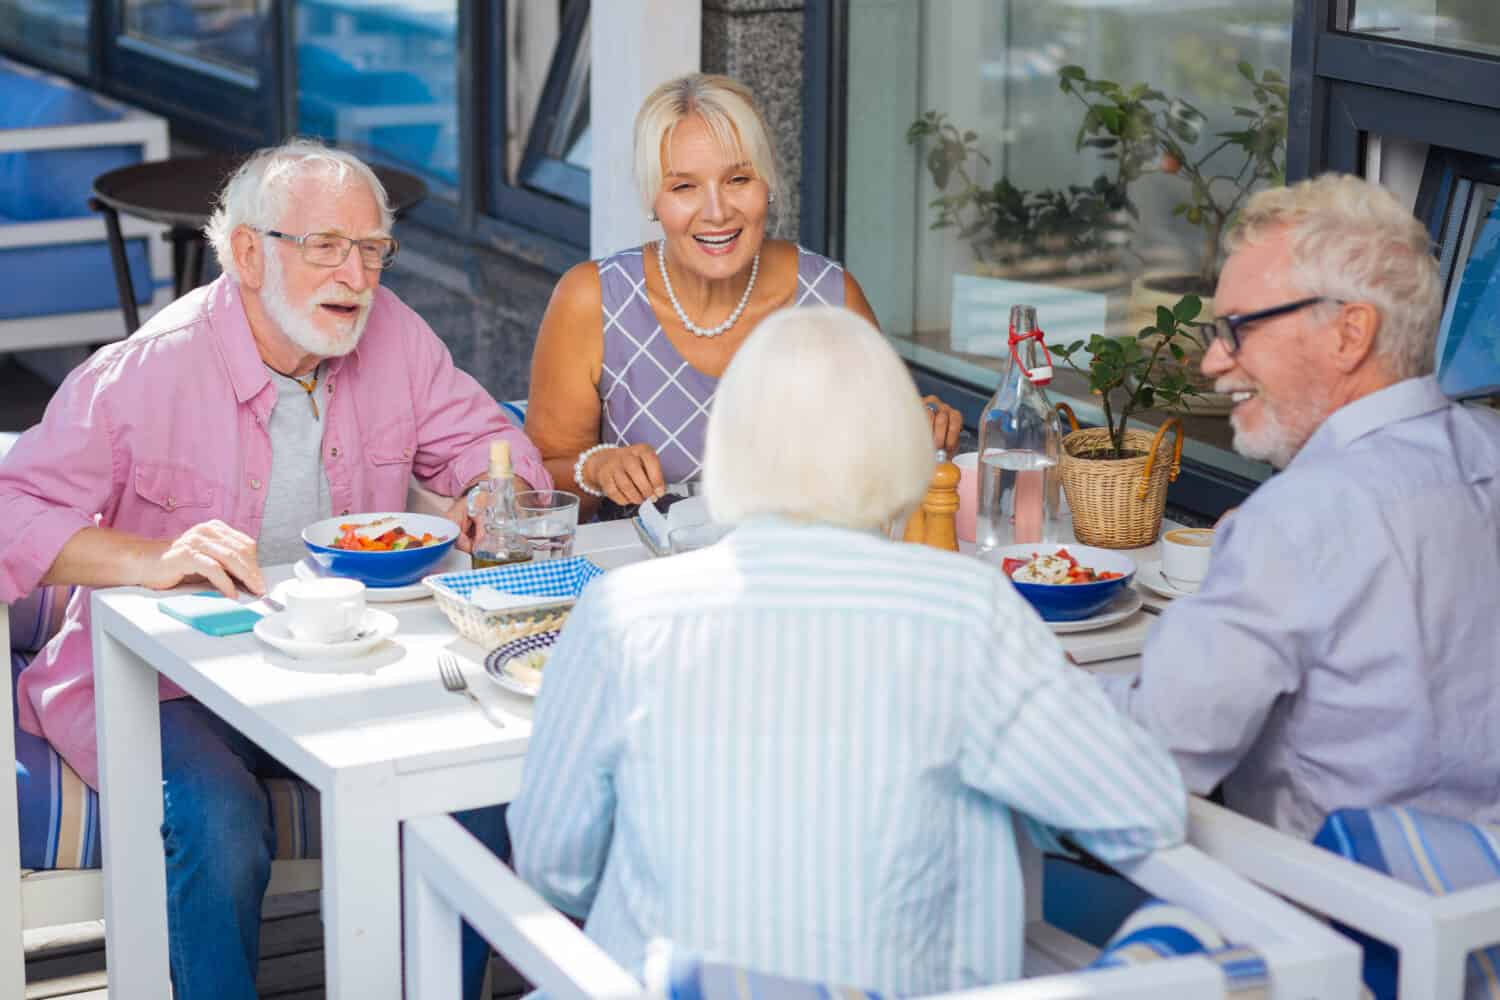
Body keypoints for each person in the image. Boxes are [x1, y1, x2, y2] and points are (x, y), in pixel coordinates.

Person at [0, 140, 544, 1000]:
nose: (357, 276)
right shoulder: (152, 368)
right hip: (167, 690)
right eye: (326, 246)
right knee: (218, 822)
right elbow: (9, 511)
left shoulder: (393, 336)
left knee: (465, 798)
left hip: (344, 670)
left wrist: (487, 492)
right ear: (249, 254)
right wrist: (154, 558)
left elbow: (497, 446)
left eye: (372, 250)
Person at [507, 306, 1185, 994]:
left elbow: (551, 864)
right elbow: (1142, 809)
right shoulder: (967, 612)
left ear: (729, 446)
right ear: (900, 445)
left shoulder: (625, 612)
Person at [1099, 173, 1500, 839]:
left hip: (1340, 921)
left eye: (1237, 329)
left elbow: (1146, 762)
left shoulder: (1300, 521)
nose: (1213, 363)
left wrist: (1031, 692)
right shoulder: (1485, 450)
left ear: (1349, 334)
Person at [524, 73, 962, 519]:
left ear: (767, 185)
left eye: (737, 179)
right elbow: (535, 483)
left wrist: (922, 424)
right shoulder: (593, 299)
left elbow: (886, 457)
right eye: (683, 187)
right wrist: (594, 468)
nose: (717, 212)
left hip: (801, 574)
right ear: (653, 201)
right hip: (645, 575)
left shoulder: (830, 297)